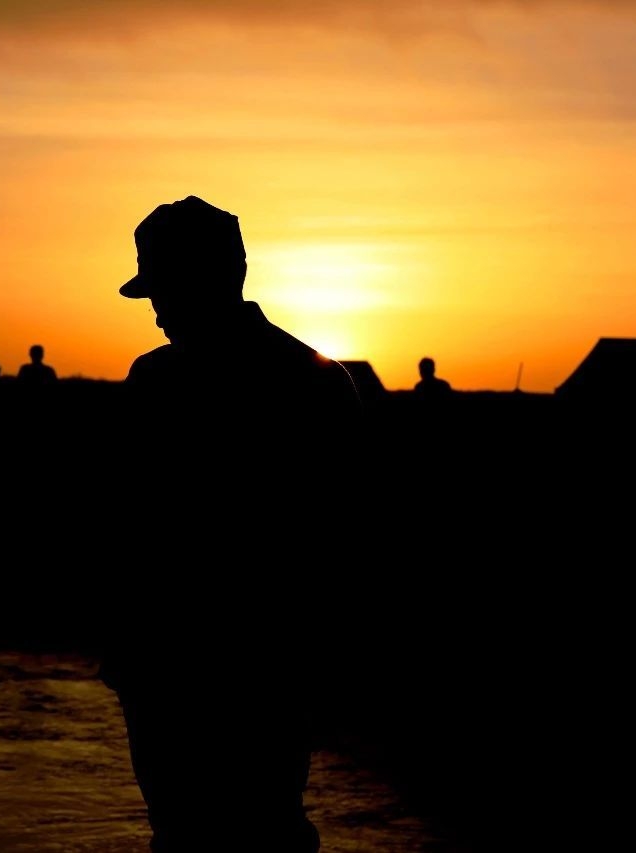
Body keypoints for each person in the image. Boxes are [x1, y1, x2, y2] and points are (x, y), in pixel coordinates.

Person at [99, 194, 364, 853]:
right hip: (251, 661)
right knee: (253, 824)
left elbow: (122, 524)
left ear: (209, 281)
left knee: (212, 828)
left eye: (163, 291)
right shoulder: (318, 380)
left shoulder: (158, 382)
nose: (157, 312)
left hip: (210, 659)